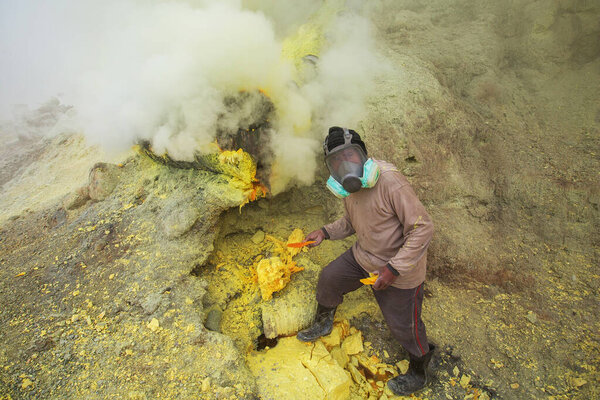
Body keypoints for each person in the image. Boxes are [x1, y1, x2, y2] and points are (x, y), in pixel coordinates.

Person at [297, 126, 435, 396]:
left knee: (405, 326)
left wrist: (393, 269)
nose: (344, 164)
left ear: (363, 155)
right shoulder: (349, 187)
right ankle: (324, 322)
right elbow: (352, 221)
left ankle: (420, 371)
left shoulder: (390, 182)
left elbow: (423, 228)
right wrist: (324, 233)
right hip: (364, 256)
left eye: (349, 155)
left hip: (400, 268)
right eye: (335, 160)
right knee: (329, 279)